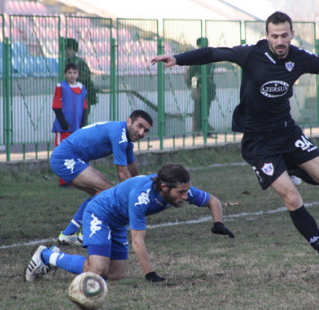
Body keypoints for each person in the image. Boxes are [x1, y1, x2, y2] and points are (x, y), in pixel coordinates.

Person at [151, 11, 319, 281]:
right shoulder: (251, 54)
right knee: (292, 198)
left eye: (284, 35)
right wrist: (178, 59)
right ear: (266, 35)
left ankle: (289, 168)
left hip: (287, 132)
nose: (280, 41)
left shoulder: (299, 58)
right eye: (274, 36)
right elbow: (214, 53)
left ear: (292, 34)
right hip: (259, 142)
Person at [25, 163, 235, 282]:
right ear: (164, 187)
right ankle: (47, 255)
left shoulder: (180, 189)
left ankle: (53, 256)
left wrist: (218, 223)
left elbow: (213, 201)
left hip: (117, 221)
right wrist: (150, 274)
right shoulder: (141, 197)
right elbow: (137, 241)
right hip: (100, 214)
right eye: (181, 192)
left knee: (115, 274)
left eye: (187, 190)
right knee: (97, 270)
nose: (186, 196)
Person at [52, 110, 153, 246]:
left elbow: (132, 168)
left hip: (73, 158)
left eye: (146, 130)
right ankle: (86, 233)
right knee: (107, 191)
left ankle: (68, 234)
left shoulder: (127, 141)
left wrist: (144, 189)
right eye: (139, 126)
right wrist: (135, 198)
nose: (141, 133)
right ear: (129, 121)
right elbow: (123, 173)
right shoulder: (119, 135)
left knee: (99, 193)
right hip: (65, 157)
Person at [52, 63, 88, 186]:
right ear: (65, 74)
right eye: (69, 72)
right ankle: (63, 181)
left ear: (78, 74)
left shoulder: (82, 88)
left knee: (75, 154)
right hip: (63, 128)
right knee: (62, 154)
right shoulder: (60, 86)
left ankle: (73, 179)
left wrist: (83, 124)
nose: (72, 75)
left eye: (74, 72)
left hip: (76, 128)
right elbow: (56, 106)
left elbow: (84, 108)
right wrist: (63, 123)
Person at [185, 37, 216, 135]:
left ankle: (204, 128)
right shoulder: (194, 57)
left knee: (206, 110)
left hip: (208, 86)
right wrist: (192, 85)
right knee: (198, 109)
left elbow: (211, 73)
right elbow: (188, 74)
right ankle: (198, 129)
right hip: (198, 86)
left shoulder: (210, 58)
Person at [64, 38, 97, 120]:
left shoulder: (80, 63)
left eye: (68, 49)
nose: (66, 51)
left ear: (74, 50)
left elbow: (86, 78)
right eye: (65, 49)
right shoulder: (64, 63)